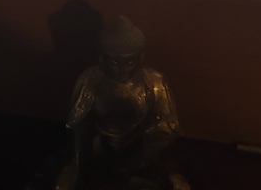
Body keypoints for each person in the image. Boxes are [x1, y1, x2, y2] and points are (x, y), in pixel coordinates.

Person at [63, 16, 186, 190]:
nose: (122, 70)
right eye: (114, 62)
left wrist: (143, 157)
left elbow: (167, 127)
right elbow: (81, 128)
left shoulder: (155, 82)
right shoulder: (90, 80)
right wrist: (81, 166)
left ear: (141, 57)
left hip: (142, 153)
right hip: (103, 153)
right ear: (102, 57)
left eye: (129, 62)